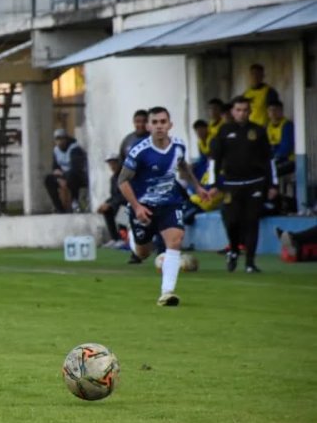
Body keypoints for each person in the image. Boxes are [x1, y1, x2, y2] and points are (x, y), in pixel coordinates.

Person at [118, 107, 209, 306]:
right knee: (143, 252)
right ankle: (134, 237)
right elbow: (122, 180)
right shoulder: (139, 151)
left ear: (170, 124)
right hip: (144, 207)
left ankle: (167, 292)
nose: (159, 126)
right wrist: (136, 206)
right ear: (149, 126)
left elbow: (183, 165)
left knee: (175, 240)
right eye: (155, 122)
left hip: (170, 203)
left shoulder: (178, 146)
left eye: (163, 122)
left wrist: (197, 186)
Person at [208, 96, 278, 273]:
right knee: (232, 221)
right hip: (232, 184)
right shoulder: (224, 131)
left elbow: (269, 160)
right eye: (238, 110)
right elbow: (214, 159)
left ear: (250, 111)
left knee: (251, 221)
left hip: (255, 184)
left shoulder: (259, 131)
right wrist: (213, 184)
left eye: (245, 110)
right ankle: (233, 249)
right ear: (232, 111)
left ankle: (250, 262)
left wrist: (273, 185)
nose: (242, 113)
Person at [44, 129, 88, 213]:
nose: (60, 142)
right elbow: (55, 167)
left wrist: (62, 175)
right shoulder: (56, 150)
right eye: (57, 139)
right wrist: (59, 177)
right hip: (63, 176)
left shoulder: (74, 149)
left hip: (78, 176)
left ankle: (75, 201)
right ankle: (59, 207)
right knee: (48, 179)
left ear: (66, 139)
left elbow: (76, 168)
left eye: (62, 139)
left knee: (71, 175)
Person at [97, 153, 127, 247]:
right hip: (118, 203)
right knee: (107, 210)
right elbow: (113, 195)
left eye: (114, 163)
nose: (112, 166)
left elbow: (124, 195)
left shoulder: (125, 176)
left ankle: (123, 238)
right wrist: (105, 204)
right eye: (110, 164)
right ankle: (115, 238)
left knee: (121, 209)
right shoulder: (113, 178)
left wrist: (110, 204)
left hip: (128, 203)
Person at [266, 100, 295, 177]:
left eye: (276, 110)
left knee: (269, 172)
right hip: (273, 160)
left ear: (281, 111)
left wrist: (273, 157)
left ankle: (274, 188)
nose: (273, 113)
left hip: (289, 160)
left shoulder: (287, 125)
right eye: (270, 110)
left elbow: (285, 149)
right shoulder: (267, 126)